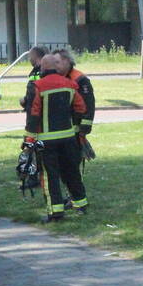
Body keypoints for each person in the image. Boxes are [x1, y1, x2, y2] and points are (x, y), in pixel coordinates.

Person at [25, 54, 88, 223]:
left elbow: (34, 114)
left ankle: (56, 212)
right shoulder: (69, 84)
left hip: (46, 140)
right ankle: (81, 204)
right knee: (72, 171)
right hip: (68, 137)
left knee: (49, 175)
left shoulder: (38, 86)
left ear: (43, 67)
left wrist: (29, 139)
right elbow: (81, 108)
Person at [52, 48, 95, 136]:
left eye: (57, 62)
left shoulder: (80, 79)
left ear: (67, 61)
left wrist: (85, 126)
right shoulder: (55, 77)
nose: (54, 66)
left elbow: (88, 103)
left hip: (75, 128)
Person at [19, 46, 48, 113]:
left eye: (30, 56)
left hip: (38, 110)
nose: (29, 59)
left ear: (35, 56)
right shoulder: (34, 71)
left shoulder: (43, 71)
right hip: (32, 108)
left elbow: (36, 91)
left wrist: (25, 100)